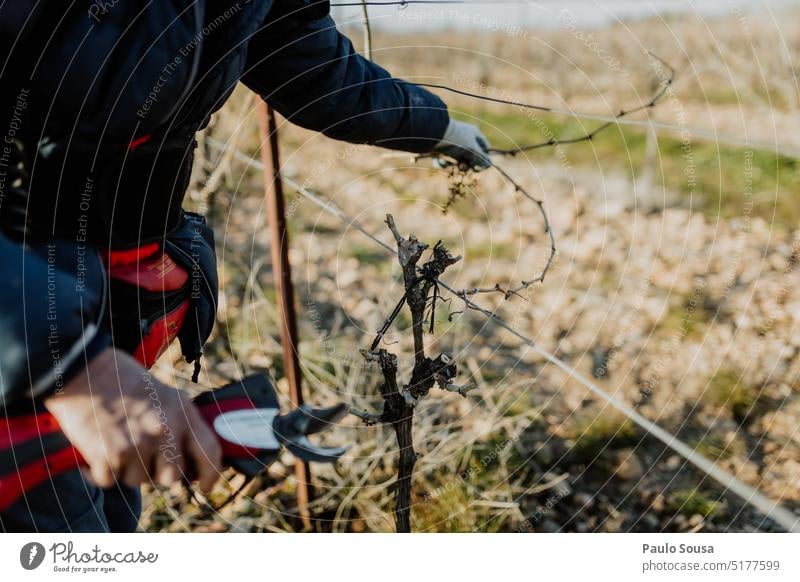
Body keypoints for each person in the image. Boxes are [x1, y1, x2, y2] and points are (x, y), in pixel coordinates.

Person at [0, 0, 491, 532]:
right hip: (20, 310)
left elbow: (321, 73)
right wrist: (68, 364)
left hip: (106, 297)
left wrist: (435, 124)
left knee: (111, 512)